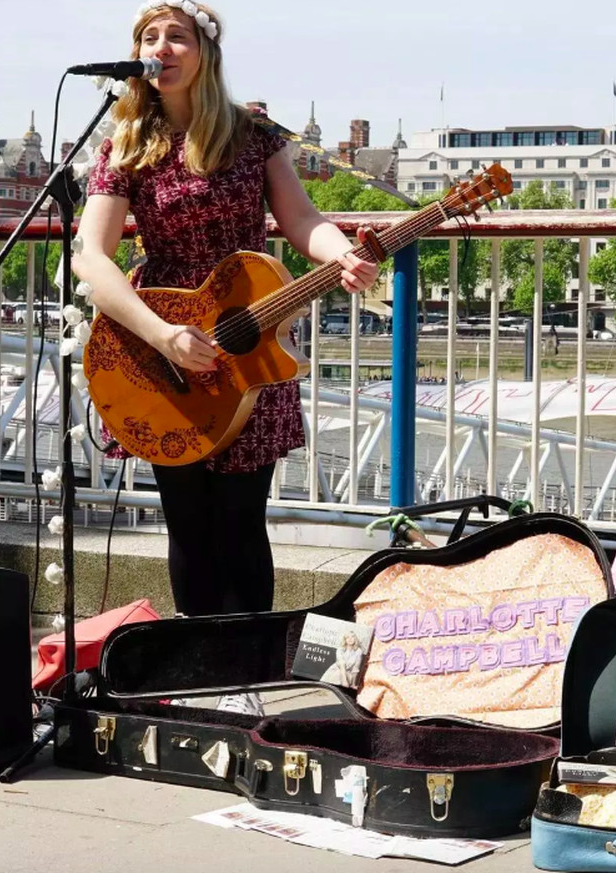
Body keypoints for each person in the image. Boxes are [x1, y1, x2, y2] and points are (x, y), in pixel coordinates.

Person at [72, 0, 379, 716]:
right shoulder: (125, 144)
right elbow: (92, 255)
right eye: (148, 38)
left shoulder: (253, 135)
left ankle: (253, 677)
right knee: (188, 517)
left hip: (249, 347)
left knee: (242, 518)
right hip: (163, 348)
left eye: (176, 36)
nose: (161, 47)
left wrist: (342, 256)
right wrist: (160, 334)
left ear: (205, 53)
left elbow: (300, 218)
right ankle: (198, 673)